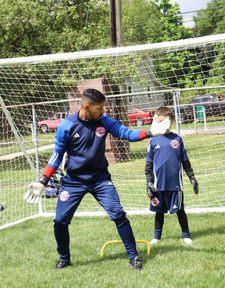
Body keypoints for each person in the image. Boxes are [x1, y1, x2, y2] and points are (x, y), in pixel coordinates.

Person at [24, 88, 151, 270]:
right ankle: (64, 259)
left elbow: (127, 134)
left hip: (100, 179)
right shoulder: (67, 126)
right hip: (74, 181)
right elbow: (57, 155)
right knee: (60, 221)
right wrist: (43, 180)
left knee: (118, 214)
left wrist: (150, 131)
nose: (102, 111)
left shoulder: (104, 121)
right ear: (86, 106)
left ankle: (134, 257)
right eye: (99, 108)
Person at [145, 106, 199, 245]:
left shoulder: (178, 139)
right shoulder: (153, 141)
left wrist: (192, 177)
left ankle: (186, 235)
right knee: (159, 211)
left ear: (171, 121)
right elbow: (149, 164)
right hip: (158, 185)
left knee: (180, 210)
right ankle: (156, 237)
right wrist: (149, 181)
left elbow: (185, 160)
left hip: (175, 184)